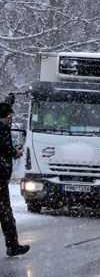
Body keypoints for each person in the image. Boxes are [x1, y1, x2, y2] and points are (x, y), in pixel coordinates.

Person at [0, 102, 30, 256]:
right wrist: (15, 152)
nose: (11, 117)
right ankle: (13, 246)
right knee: (5, 212)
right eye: (9, 114)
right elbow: (3, 147)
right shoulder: (3, 126)